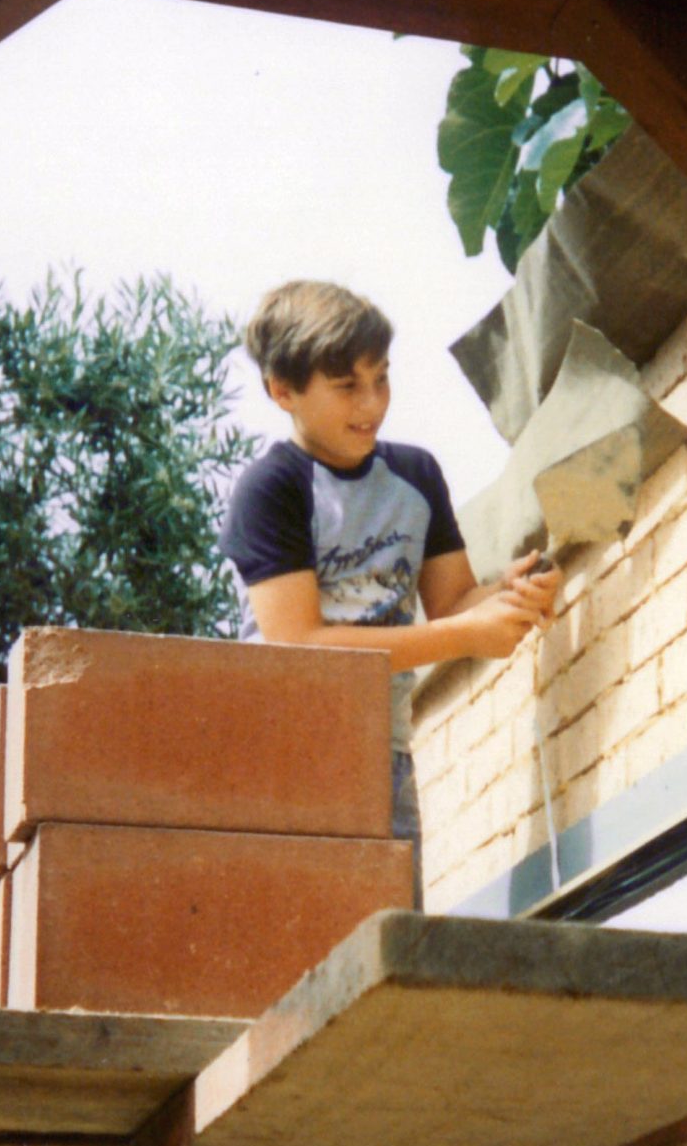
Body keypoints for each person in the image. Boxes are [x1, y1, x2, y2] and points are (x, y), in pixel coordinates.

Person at [219, 280, 559, 859]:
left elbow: (453, 603)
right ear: (284, 391)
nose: (371, 403)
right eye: (347, 386)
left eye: (381, 379)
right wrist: (462, 635)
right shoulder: (270, 490)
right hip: (280, 753)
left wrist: (509, 594)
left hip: (385, 752)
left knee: (394, 938)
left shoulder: (416, 476)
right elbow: (300, 645)